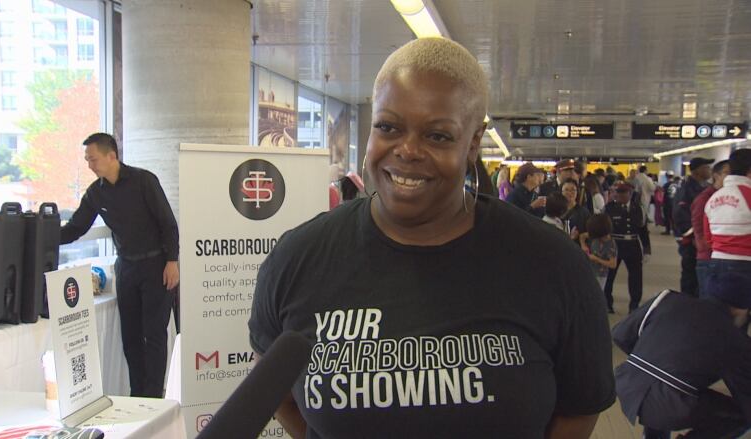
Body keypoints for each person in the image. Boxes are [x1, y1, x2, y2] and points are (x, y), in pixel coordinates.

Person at [248, 38, 615, 439]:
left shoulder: (553, 266)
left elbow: (578, 411)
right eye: (388, 127)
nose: (407, 151)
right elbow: (274, 390)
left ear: (474, 141)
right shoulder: (298, 258)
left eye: (437, 136)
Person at [60, 132, 179, 398]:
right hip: (125, 268)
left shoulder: (143, 181)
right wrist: (41, 237)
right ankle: (137, 394)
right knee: (131, 337)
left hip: (157, 266)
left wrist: (172, 261)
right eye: (87, 160)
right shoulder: (95, 193)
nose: (90, 165)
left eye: (93, 159)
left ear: (111, 155)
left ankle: (153, 398)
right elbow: (76, 228)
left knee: (154, 336)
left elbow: (167, 223)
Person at [611, 273, 751, 439]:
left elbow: (619, 334)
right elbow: (746, 394)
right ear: (740, 309)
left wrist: (648, 355)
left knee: (666, 383)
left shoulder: (667, 299)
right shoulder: (735, 339)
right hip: (667, 403)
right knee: (739, 415)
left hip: (626, 383)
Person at [705, 148, 751, 297]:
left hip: (717, 261)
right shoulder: (748, 194)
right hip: (745, 263)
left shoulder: (713, 198)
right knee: (741, 314)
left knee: (720, 312)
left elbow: (708, 236)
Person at [673, 157, 715, 296]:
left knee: (699, 277)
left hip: (702, 240)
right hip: (691, 242)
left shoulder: (705, 187)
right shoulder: (687, 189)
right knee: (690, 275)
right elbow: (680, 215)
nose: (710, 170)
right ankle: (687, 305)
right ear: (697, 171)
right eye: (706, 167)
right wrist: (692, 236)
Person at [603, 181, 645, 314]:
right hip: (615, 244)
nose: (620, 196)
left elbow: (643, 230)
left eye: (623, 193)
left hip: (633, 245)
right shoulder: (609, 208)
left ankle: (634, 305)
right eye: (618, 193)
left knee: (636, 277)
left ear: (630, 194)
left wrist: (647, 249)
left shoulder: (638, 208)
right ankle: (607, 302)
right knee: (609, 276)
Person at [691, 160, 731, 296]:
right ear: (716, 175)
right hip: (709, 259)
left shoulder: (731, 197)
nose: (731, 177)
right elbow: (698, 229)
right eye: (727, 173)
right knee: (710, 303)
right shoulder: (705, 198)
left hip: (722, 256)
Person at [585, 213, 617, 290]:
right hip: (590, 271)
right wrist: (584, 246)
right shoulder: (595, 237)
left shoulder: (610, 244)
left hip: (600, 274)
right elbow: (583, 236)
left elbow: (613, 264)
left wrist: (596, 259)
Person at [561, 179, 591, 246]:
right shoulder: (557, 210)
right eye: (566, 190)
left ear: (577, 192)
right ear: (561, 192)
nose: (569, 193)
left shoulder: (584, 212)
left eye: (573, 190)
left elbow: (590, 232)